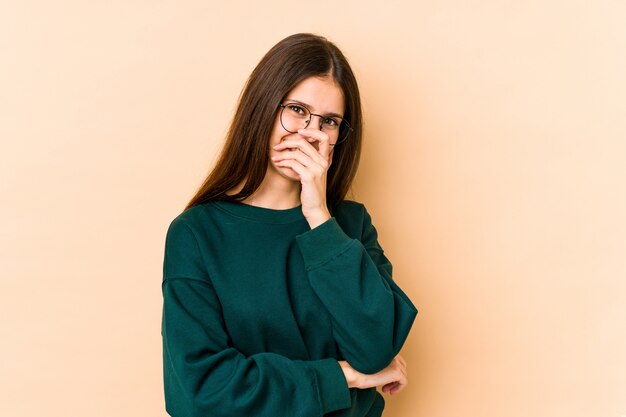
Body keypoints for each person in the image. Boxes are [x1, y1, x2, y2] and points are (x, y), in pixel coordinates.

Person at [161, 32, 418, 417]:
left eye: (329, 121)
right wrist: (341, 377)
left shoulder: (348, 224)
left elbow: (375, 349)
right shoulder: (196, 234)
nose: (309, 133)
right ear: (262, 107)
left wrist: (318, 216)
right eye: (297, 110)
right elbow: (201, 392)